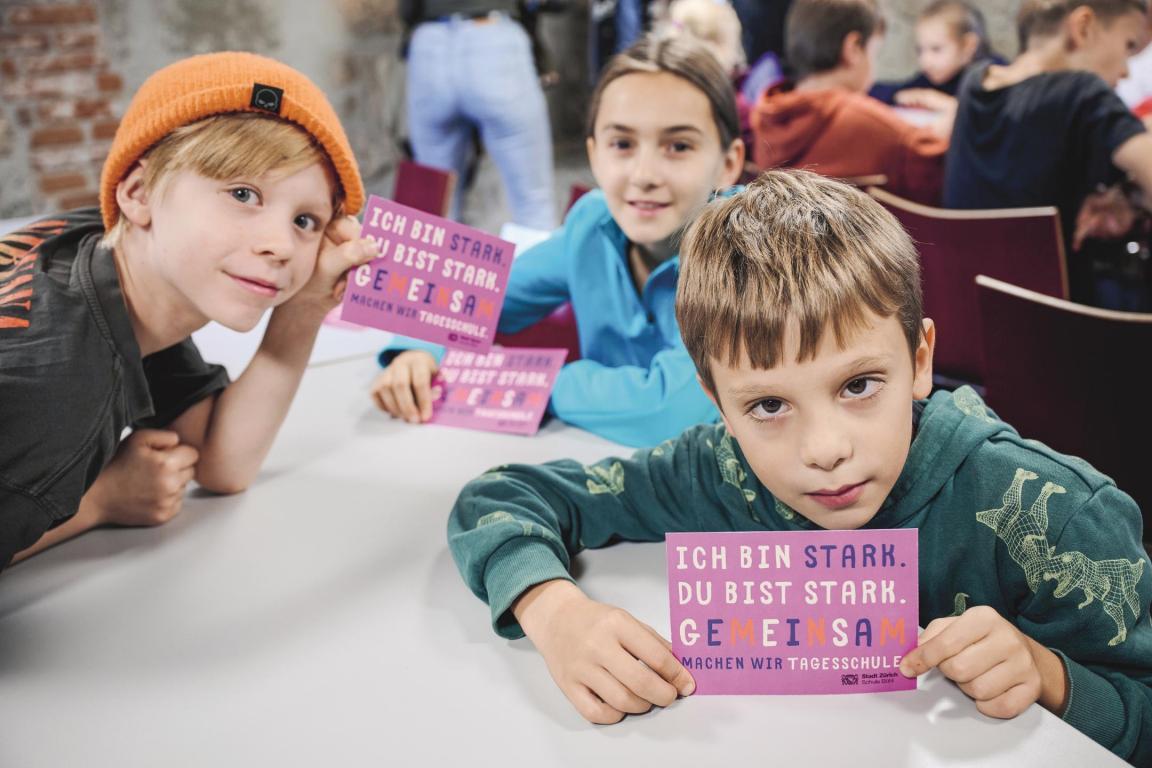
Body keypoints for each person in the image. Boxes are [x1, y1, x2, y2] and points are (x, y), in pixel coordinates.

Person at [447, 170, 1152, 764]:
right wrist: (553, 610)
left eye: (858, 386)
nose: (824, 449)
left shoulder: (1062, 513)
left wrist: (1048, 674)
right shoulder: (718, 470)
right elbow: (501, 495)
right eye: (768, 405)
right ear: (716, 403)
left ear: (919, 359)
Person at [0, 52, 377, 569]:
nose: (282, 245)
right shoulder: (60, 384)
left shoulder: (122, 281)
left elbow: (220, 463)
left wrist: (305, 307)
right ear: (138, 194)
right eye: (243, 193)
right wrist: (98, 501)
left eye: (306, 220)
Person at [371, 34, 745, 447]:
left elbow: (667, 411)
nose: (644, 174)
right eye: (621, 144)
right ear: (594, 154)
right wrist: (416, 352)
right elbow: (470, 296)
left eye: (678, 146)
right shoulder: (593, 224)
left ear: (728, 164)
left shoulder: (747, 254)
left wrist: (534, 382)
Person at [944, 0, 1152, 309]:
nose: (1124, 71)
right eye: (1128, 46)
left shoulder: (974, 81)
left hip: (971, 316)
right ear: (1082, 27)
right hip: (1062, 330)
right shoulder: (1083, 91)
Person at [751, 0, 950, 204]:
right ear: (853, 48)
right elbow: (940, 168)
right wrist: (954, 115)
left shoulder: (766, 113)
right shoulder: (867, 124)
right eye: (875, 54)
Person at [404, 0, 557, 230]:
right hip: (493, 38)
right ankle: (536, 266)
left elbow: (407, 10)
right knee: (533, 206)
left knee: (433, 216)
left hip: (429, 44)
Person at [870, 0, 1001, 109]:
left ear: (968, 45)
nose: (925, 60)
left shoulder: (994, 73)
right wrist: (898, 96)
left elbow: (992, 114)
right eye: (920, 50)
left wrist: (946, 104)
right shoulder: (932, 78)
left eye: (936, 49)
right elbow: (882, 91)